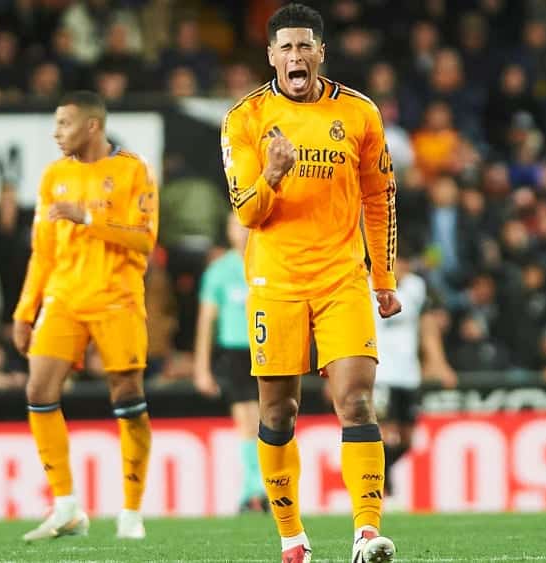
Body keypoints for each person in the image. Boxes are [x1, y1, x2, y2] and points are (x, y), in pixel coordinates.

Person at [220, 4, 400, 562]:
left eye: (305, 46)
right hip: (275, 282)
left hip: (342, 278)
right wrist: (273, 175)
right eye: (286, 48)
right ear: (271, 56)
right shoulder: (244, 119)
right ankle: (292, 540)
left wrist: (383, 277)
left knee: (357, 400)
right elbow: (247, 213)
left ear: (321, 52)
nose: (295, 56)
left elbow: (380, 197)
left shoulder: (360, 113)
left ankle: (366, 533)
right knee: (278, 414)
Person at [12, 91, 159, 542]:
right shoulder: (53, 175)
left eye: (64, 123)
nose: (56, 133)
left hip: (117, 298)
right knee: (38, 388)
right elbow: (42, 251)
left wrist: (89, 219)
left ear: (92, 126)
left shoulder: (133, 170)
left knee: (127, 395)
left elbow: (145, 239)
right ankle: (66, 506)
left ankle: (130, 511)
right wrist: (25, 310)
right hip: (64, 298)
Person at [193, 214, 267, 513]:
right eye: (236, 226)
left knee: (265, 420)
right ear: (228, 231)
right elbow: (206, 321)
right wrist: (201, 368)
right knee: (245, 422)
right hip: (234, 352)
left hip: (265, 349)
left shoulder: (267, 262)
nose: (242, 233)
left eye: (246, 226)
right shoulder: (219, 271)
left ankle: (260, 487)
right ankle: (254, 488)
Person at [371, 252, 456, 500]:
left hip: (408, 374)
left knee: (407, 439)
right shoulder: (366, 285)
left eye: (404, 262)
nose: (401, 267)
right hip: (379, 373)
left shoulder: (416, 288)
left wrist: (439, 364)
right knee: (384, 433)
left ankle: (383, 477)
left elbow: (427, 328)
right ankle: (381, 489)